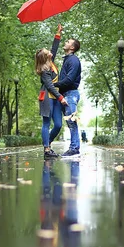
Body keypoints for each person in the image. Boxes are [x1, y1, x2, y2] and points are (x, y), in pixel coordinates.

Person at [35, 24, 68, 160]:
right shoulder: (44, 70)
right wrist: (61, 98)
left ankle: (48, 143)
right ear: (44, 57)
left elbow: (54, 47)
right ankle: (46, 148)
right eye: (46, 51)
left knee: (58, 124)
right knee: (46, 123)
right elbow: (50, 86)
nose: (50, 51)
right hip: (48, 98)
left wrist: (58, 33)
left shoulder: (51, 62)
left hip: (55, 98)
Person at [54, 35, 82, 157]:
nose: (65, 42)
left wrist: (54, 84)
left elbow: (70, 79)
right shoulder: (67, 59)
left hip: (70, 94)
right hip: (65, 94)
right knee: (65, 122)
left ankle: (74, 148)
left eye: (68, 42)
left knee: (71, 122)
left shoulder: (74, 60)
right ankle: (48, 146)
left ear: (72, 47)